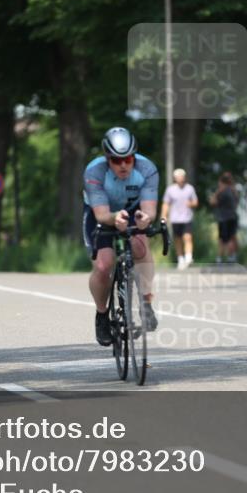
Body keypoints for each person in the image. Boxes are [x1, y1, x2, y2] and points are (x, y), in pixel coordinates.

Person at [83, 127, 160, 346]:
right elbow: (102, 214)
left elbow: (149, 210)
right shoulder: (94, 172)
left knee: (141, 247)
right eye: (117, 160)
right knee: (103, 266)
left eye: (128, 159)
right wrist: (115, 219)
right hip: (101, 214)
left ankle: (146, 302)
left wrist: (146, 219)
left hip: (132, 210)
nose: (124, 165)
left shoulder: (147, 169)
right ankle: (101, 315)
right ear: (107, 159)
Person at [161, 168, 198, 269]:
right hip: (175, 218)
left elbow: (195, 202)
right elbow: (166, 203)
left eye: (182, 176)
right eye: (178, 177)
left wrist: (190, 203)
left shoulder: (189, 188)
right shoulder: (170, 189)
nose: (180, 178)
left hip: (187, 218)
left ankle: (188, 257)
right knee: (178, 239)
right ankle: (180, 259)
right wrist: (164, 215)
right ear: (175, 178)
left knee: (187, 237)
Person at [209, 172, 239, 263]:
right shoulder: (233, 191)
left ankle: (220, 257)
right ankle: (232, 256)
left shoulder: (222, 192)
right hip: (233, 216)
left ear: (221, 182)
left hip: (223, 218)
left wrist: (217, 192)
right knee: (232, 237)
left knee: (223, 239)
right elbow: (237, 203)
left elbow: (212, 202)